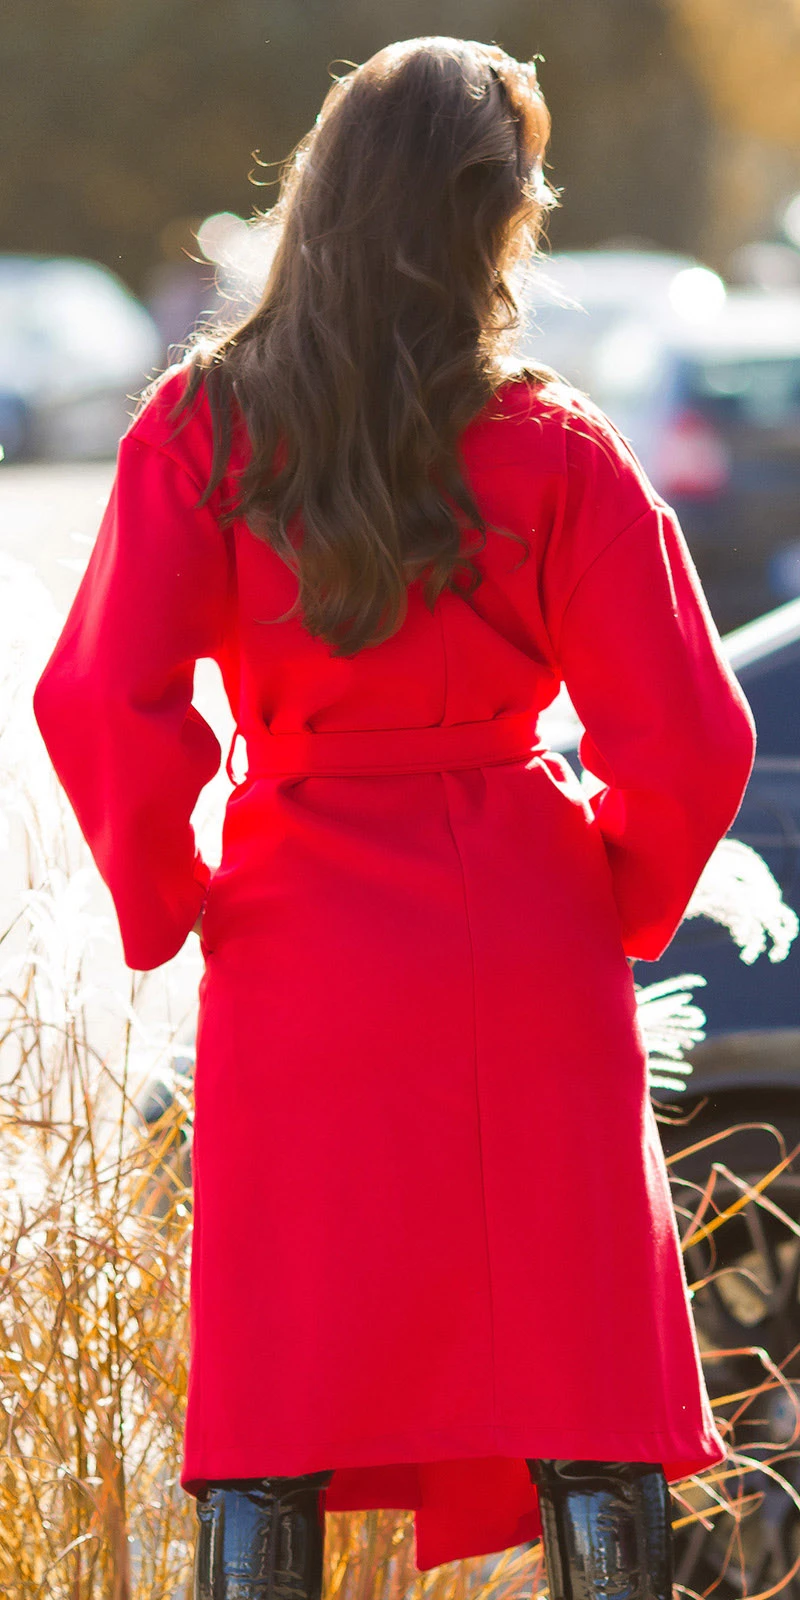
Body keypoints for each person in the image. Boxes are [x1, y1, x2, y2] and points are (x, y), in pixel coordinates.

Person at [33, 36, 756, 1600]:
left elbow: (98, 698)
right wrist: (612, 901)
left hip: (297, 935)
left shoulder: (202, 430)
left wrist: (175, 895)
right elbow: (694, 733)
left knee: (273, 1406)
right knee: (582, 1387)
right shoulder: (555, 444)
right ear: (495, 218)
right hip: (528, 933)